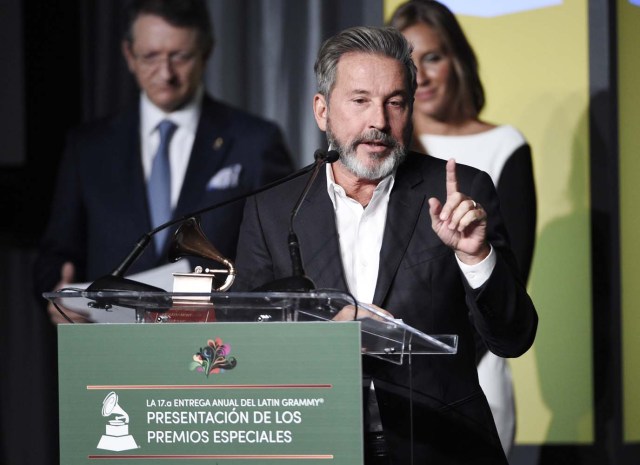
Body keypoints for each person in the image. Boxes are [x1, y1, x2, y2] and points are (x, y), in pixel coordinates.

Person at [233, 26, 537, 464]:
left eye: (395, 102)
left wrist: (475, 257)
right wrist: (321, 340)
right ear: (322, 111)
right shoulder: (275, 209)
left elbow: (513, 337)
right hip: (315, 443)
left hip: (441, 447)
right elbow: (246, 341)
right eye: (360, 101)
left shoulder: (460, 192)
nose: (378, 120)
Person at [34, 0, 294, 322]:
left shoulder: (255, 141)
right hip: (111, 351)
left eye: (180, 57)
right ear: (129, 55)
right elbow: (56, 253)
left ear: (206, 52)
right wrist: (58, 295)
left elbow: (284, 253)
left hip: (218, 351)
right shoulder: (88, 147)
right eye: (151, 57)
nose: (166, 73)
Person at [389, 0, 538, 456]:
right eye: (409, 64)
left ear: (458, 60)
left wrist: (444, 367)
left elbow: (507, 283)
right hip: (388, 378)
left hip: (476, 373)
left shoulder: (503, 145)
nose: (424, 76)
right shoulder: (382, 152)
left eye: (433, 57)